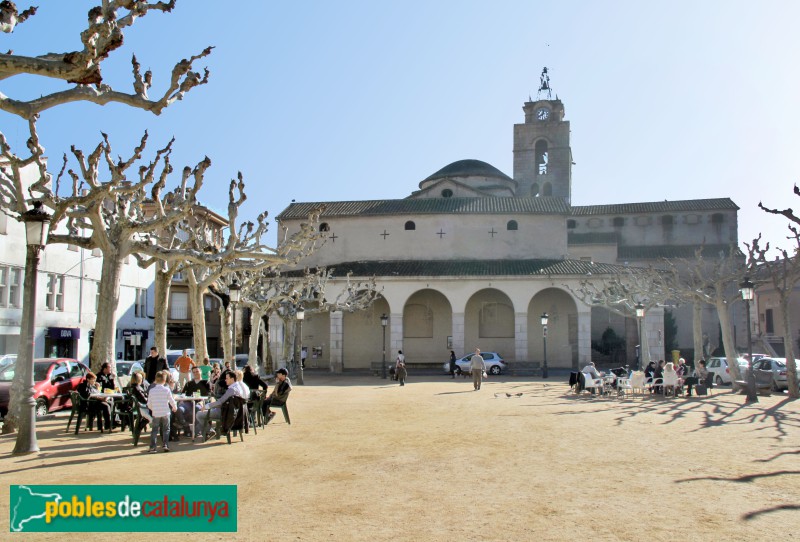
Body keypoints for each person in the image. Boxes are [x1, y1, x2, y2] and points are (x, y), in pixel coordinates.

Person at [196, 370, 239, 439]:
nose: (225, 380)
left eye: (227, 378)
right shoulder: (239, 387)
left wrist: (206, 406)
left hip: (225, 413)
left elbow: (220, 402)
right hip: (234, 413)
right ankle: (209, 431)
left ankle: (210, 431)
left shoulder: (232, 390)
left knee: (199, 414)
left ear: (232, 379)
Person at [146, 371, 177, 453]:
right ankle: (165, 445)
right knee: (166, 429)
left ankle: (153, 447)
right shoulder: (167, 390)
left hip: (156, 413)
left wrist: (153, 409)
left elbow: (149, 404)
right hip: (166, 412)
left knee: (154, 430)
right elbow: (171, 400)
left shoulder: (152, 390)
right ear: (165, 380)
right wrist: (175, 407)